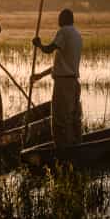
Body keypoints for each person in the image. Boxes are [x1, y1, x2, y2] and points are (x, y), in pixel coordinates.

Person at [31, 8, 83, 147]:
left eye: (60, 18)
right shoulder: (77, 34)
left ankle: (64, 149)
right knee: (73, 118)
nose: (58, 21)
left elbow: (48, 50)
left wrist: (39, 44)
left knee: (61, 119)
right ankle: (77, 144)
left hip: (64, 84)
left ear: (64, 19)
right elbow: (61, 65)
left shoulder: (64, 31)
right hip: (73, 82)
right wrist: (40, 75)